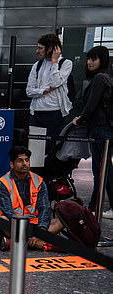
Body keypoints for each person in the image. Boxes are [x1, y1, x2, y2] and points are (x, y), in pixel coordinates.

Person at [71, 46, 113, 218]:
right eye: (88, 58)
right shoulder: (107, 78)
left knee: (103, 170)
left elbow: (91, 106)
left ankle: (100, 205)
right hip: (105, 129)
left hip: (100, 129)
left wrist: (79, 119)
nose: (89, 62)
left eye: (94, 59)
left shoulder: (99, 79)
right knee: (100, 169)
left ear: (102, 60)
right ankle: (94, 205)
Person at [0, 146, 64, 249]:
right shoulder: (3, 183)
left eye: (27, 160)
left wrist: (41, 231)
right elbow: (8, 212)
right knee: (1, 220)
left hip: (35, 225)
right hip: (15, 225)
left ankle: (22, 241)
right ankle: (36, 242)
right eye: (20, 161)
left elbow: (44, 208)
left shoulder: (39, 181)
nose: (25, 163)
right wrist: (25, 228)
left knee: (60, 221)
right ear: (12, 164)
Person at [26, 33, 73, 154]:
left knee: (52, 150)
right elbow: (29, 91)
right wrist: (43, 90)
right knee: (35, 151)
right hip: (36, 112)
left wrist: (54, 61)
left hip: (55, 113)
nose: (37, 51)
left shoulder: (66, 63)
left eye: (41, 48)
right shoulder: (37, 65)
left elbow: (56, 82)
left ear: (51, 48)